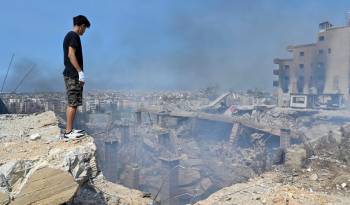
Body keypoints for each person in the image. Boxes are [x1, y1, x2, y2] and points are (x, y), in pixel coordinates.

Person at [63, 15, 90, 139]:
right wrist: (80, 72)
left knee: (73, 102)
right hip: (73, 74)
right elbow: (70, 54)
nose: (84, 32)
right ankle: (68, 132)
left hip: (71, 74)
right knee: (73, 103)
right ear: (82, 26)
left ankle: (70, 130)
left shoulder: (69, 35)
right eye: (85, 29)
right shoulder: (74, 36)